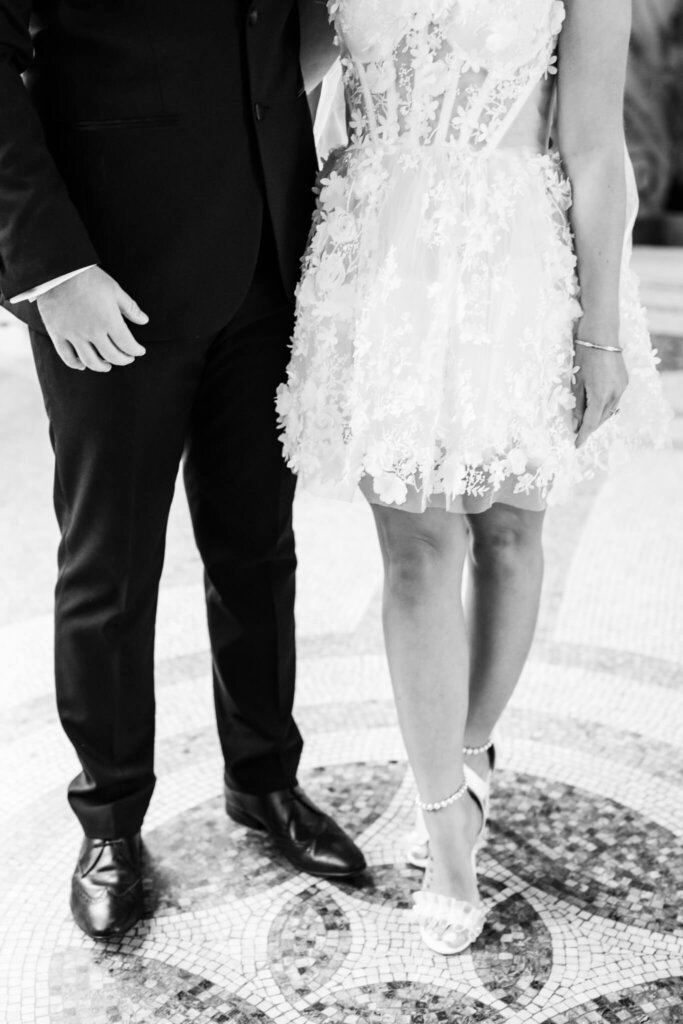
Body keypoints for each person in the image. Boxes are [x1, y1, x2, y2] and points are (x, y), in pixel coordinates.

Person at [277, 0, 671, 955]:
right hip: (379, 261)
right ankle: (448, 823)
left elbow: (591, 147)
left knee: (507, 535)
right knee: (415, 552)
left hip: (514, 261)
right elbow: (263, 79)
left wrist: (600, 332)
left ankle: (465, 742)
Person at [0, 0, 366, 941]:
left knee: (257, 546)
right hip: (107, 271)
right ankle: (110, 822)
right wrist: (49, 267)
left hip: (266, 256)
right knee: (110, 561)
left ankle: (263, 780)